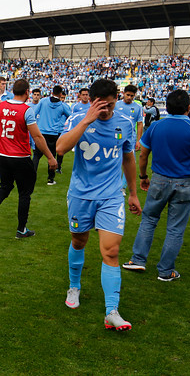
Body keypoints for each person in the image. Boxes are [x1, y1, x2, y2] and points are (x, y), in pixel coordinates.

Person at [56, 78, 142, 331]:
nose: (107, 111)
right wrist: (87, 120)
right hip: (81, 195)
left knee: (111, 252)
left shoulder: (124, 124)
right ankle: (74, 287)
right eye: (102, 106)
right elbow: (60, 148)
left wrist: (134, 193)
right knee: (79, 241)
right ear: (92, 101)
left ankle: (111, 311)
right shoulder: (77, 118)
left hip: (112, 195)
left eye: (111, 106)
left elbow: (128, 159)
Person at [123, 90, 190, 281]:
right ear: (189, 108)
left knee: (149, 220)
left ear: (167, 107)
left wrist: (143, 176)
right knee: (175, 228)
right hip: (186, 182)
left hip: (159, 179)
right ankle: (165, 270)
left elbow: (143, 155)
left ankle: (137, 259)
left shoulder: (155, 127)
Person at [0, 79, 58, 240]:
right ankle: (21, 229)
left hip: (4, 156)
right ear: (27, 92)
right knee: (24, 193)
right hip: (21, 157)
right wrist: (51, 157)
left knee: (5, 187)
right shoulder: (26, 110)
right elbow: (37, 136)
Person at [33, 85, 72, 184]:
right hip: (54, 134)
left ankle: (31, 177)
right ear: (60, 94)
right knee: (52, 156)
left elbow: (34, 113)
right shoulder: (62, 105)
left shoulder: (43, 101)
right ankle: (50, 179)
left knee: (37, 156)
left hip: (41, 132)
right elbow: (71, 117)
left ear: (52, 92)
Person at [115, 84, 143, 150]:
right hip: (117, 136)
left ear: (135, 95)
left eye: (132, 96)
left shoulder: (138, 107)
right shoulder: (116, 105)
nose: (129, 97)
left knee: (130, 159)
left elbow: (140, 124)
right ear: (123, 93)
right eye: (127, 95)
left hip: (131, 138)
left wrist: (138, 141)